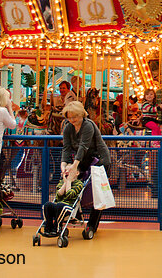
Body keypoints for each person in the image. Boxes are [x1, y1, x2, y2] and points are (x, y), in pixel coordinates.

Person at [60, 101, 111, 235]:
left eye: (74, 117)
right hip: (83, 160)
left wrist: (74, 165)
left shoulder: (88, 126)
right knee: (76, 185)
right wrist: (64, 166)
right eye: (69, 117)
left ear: (81, 114)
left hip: (99, 160)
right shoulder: (68, 128)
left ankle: (92, 225)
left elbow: (83, 146)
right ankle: (72, 215)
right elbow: (66, 148)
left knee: (97, 193)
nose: (72, 120)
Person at [42, 166, 86, 236]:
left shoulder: (79, 184)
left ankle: (56, 228)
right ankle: (48, 228)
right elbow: (58, 195)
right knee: (47, 205)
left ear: (77, 173)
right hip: (58, 207)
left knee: (60, 205)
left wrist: (69, 181)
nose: (67, 172)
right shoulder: (61, 182)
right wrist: (65, 182)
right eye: (66, 170)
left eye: (70, 170)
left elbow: (69, 194)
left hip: (68, 208)